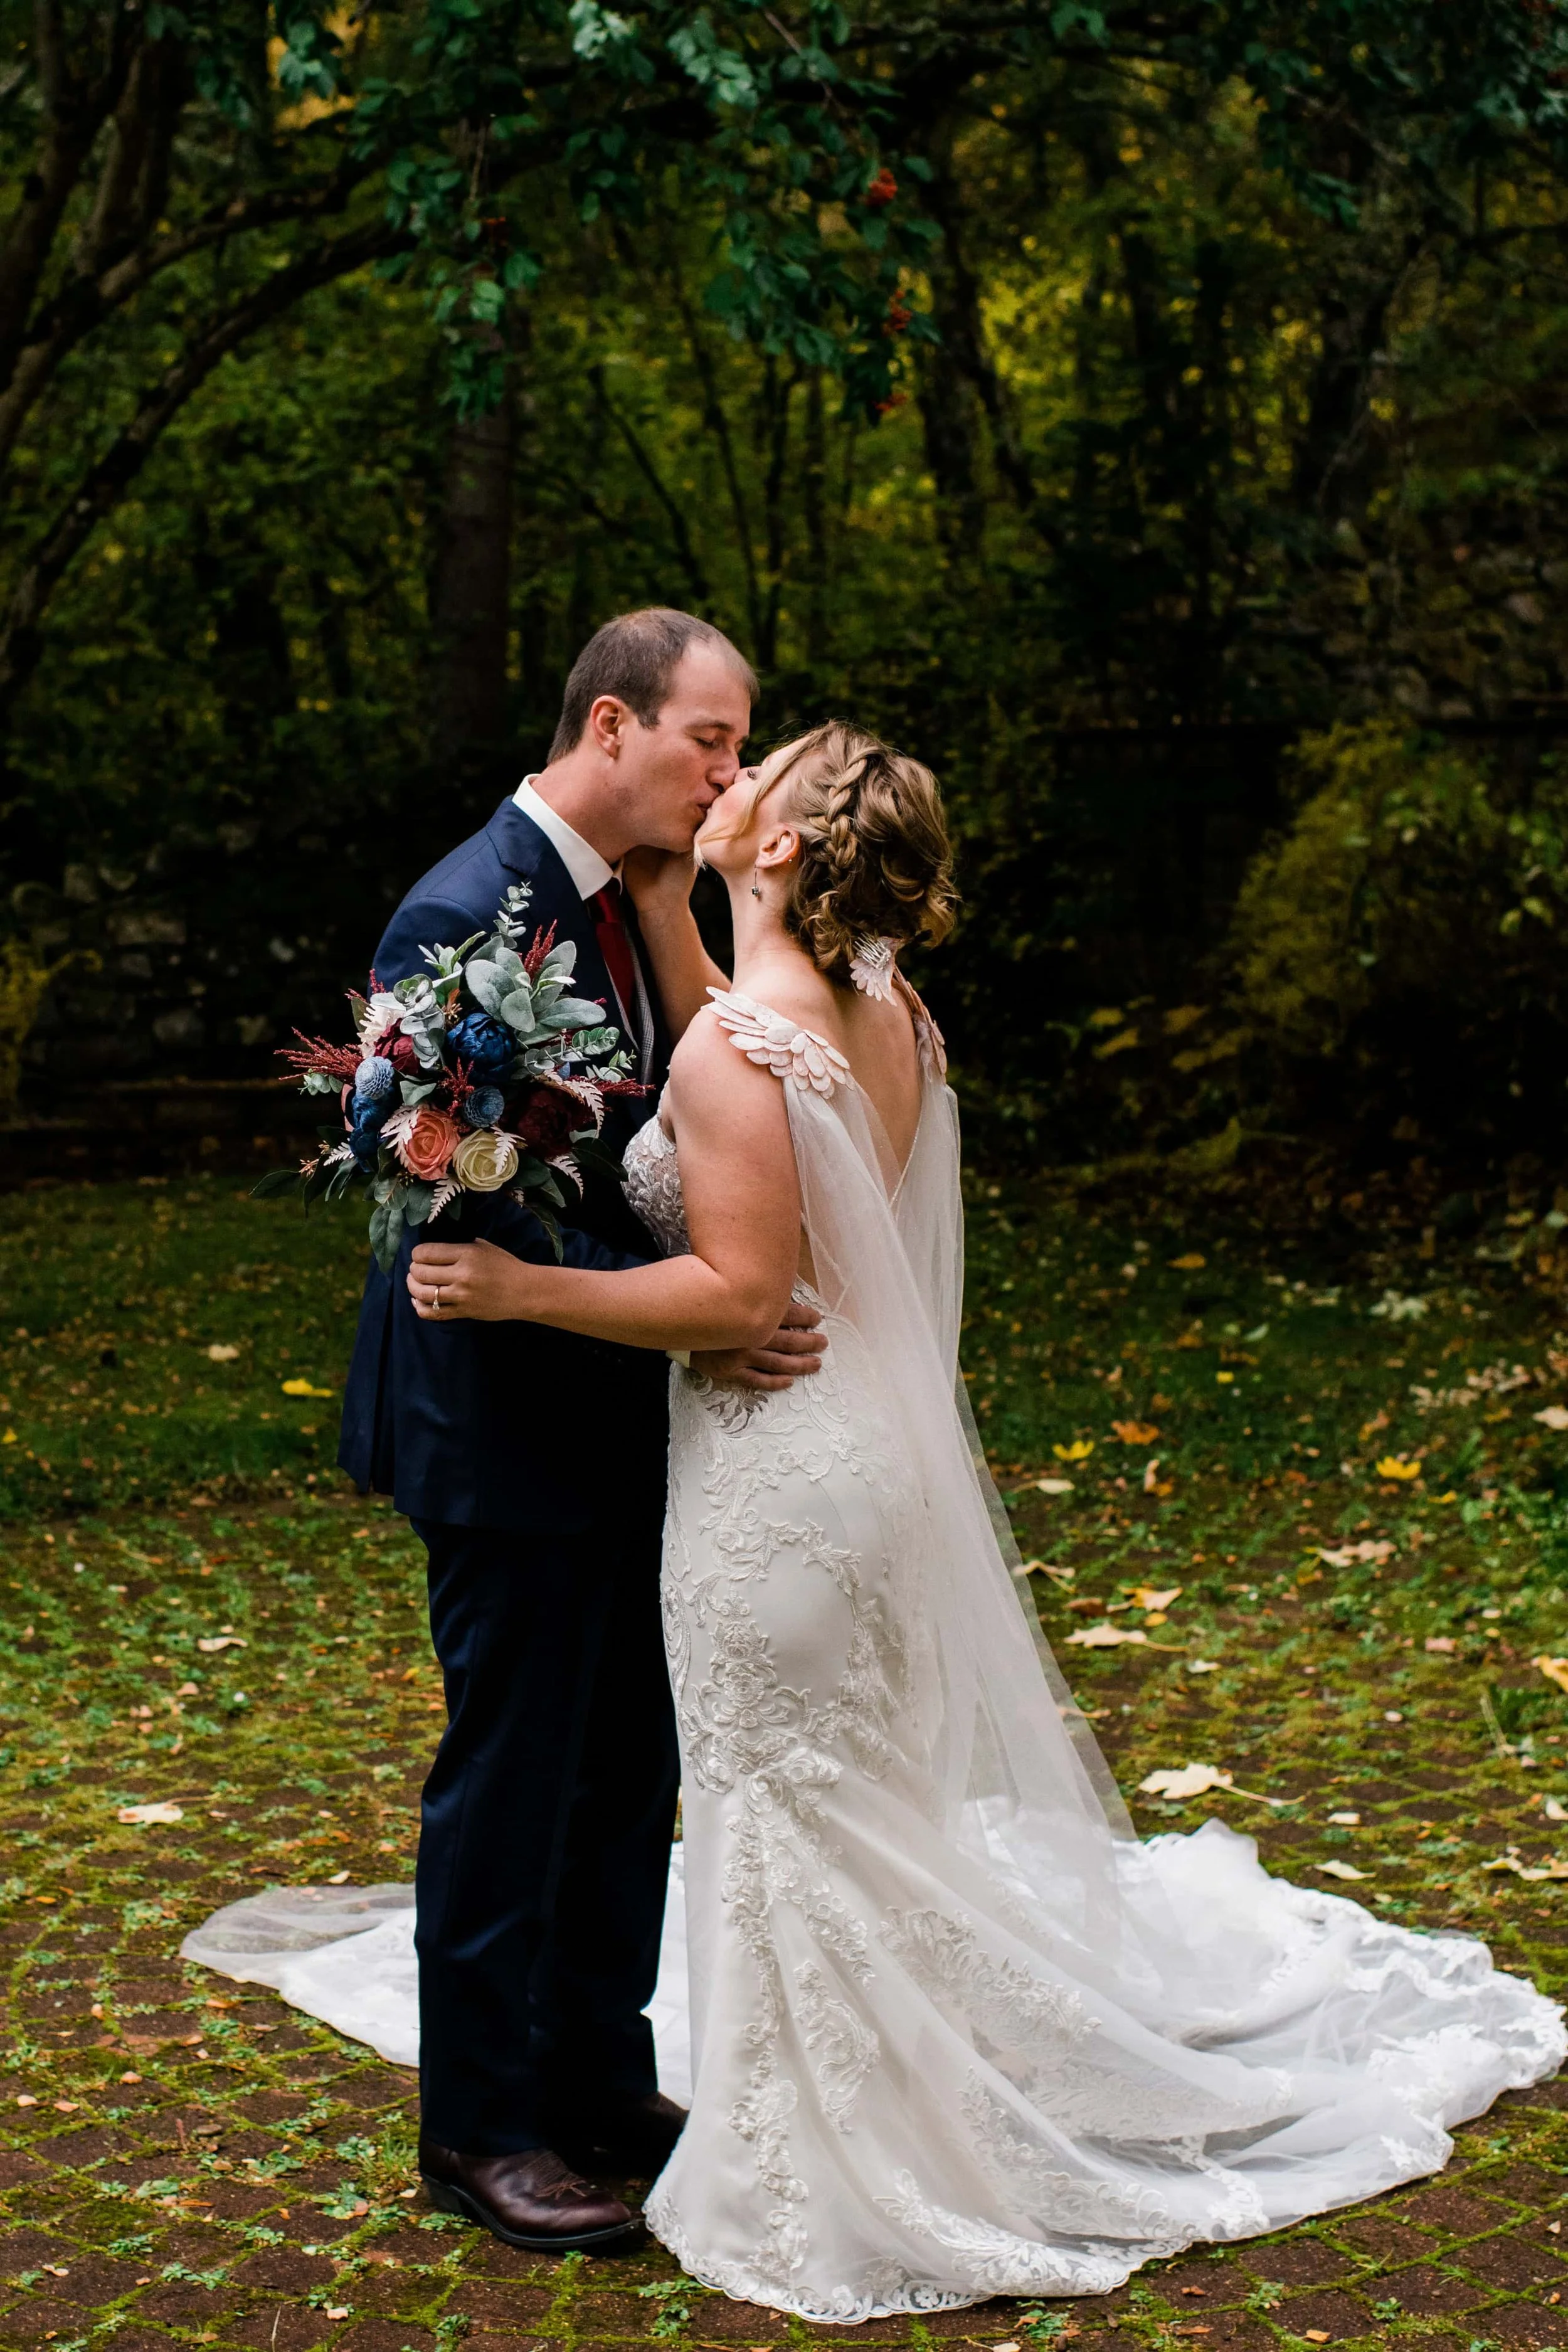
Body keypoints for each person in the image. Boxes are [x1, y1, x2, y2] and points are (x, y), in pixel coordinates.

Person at [405, 721, 1565, 2320]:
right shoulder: (883, 1013)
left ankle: (819, 2163)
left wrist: (521, 1284)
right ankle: (874, 2113)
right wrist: (681, 900)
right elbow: (747, 1079)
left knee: (776, 1804)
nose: (727, 777)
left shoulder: (737, 1048)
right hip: (864, 1458)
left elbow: (741, 1281)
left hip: (770, 1472)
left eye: (761, 768)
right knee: (845, 1801)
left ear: (790, 850)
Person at [334, 610, 828, 2255]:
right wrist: (705, 1295)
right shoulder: (468, 909)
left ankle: (597, 2077)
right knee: (514, 1777)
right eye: (710, 736)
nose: (729, 770)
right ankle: (478, 2127)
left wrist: (713, 1298)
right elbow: (449, 1196)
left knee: (629, 1770)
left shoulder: (631, 903)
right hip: (502, 1418)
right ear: (610, 723)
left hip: (626, 1414)